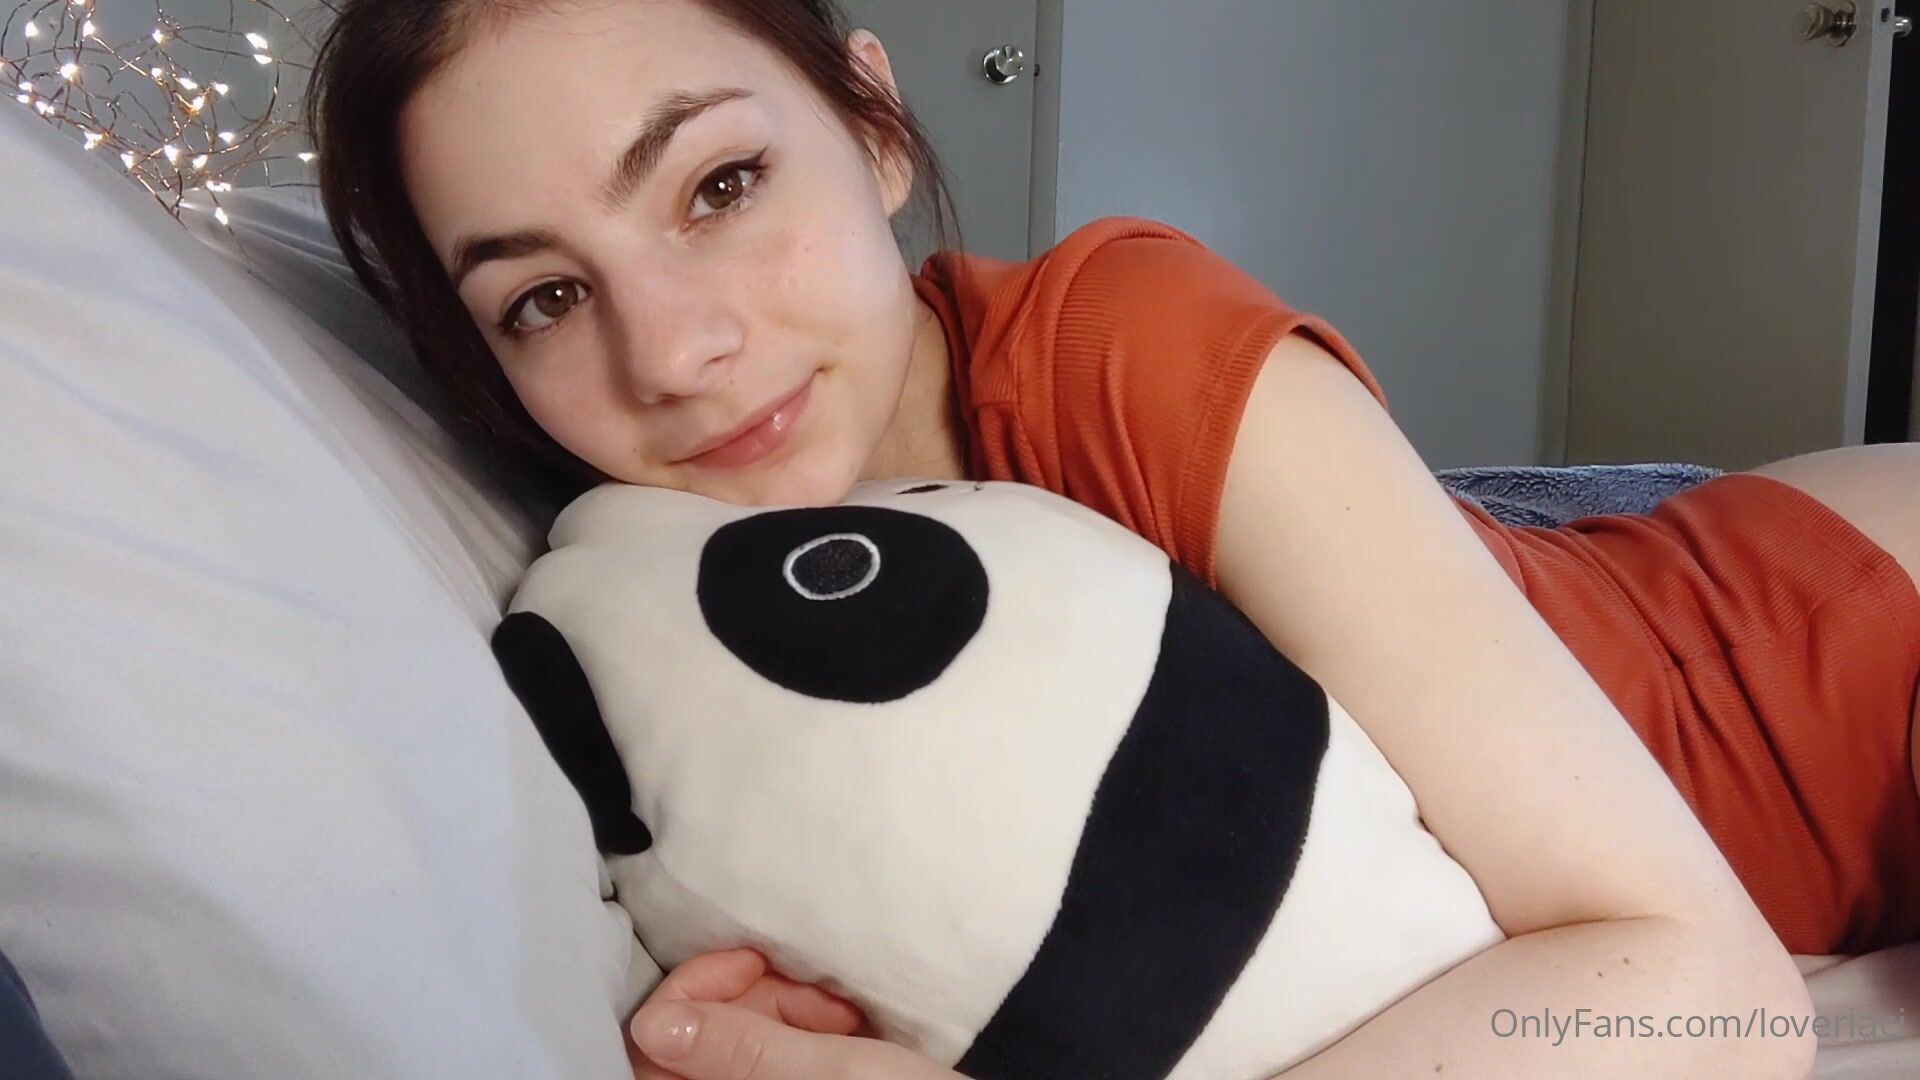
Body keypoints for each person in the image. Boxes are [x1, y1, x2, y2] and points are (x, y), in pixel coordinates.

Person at [302, 1, 1920, 1075]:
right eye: (547, 298)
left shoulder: (1121, 351)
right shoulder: (627, 599)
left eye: (721, 185)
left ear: (875, 126)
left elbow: (1711, 993)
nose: (671, 355)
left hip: (1838, 655)